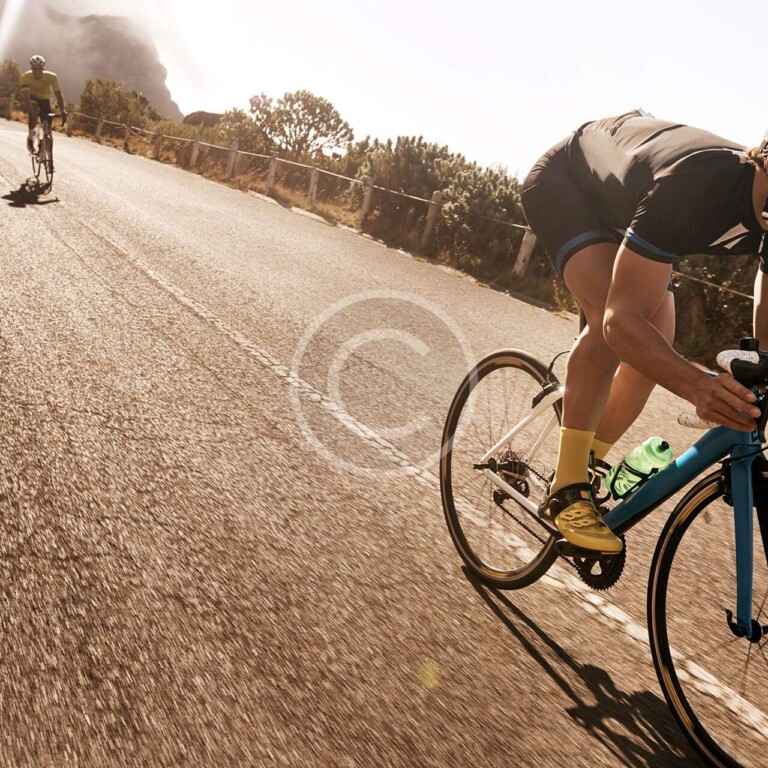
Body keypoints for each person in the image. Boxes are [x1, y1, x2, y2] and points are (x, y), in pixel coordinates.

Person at [521, 110, 768, 554]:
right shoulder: (700, 185)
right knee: (613, 327)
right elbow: (620, 322)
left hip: (632, 202)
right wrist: (699, 387)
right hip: (568, 184)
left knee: (656, 345)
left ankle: (584, 460)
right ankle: (567, 488)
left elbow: (765, 343)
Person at [20, 54, 66, 154]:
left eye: (39, 68)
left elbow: (58, 95)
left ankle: (45, 143)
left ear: (43, 68)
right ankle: (30, 138)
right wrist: (31, 111)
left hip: (45, 100)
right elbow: (26, 97)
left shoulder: (52, 77)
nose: (37, 71)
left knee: (48, 123)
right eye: (34, 68)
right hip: (32, 98)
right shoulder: (25, 77)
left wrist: (63, 110)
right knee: (35, 110)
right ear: (31, 68)